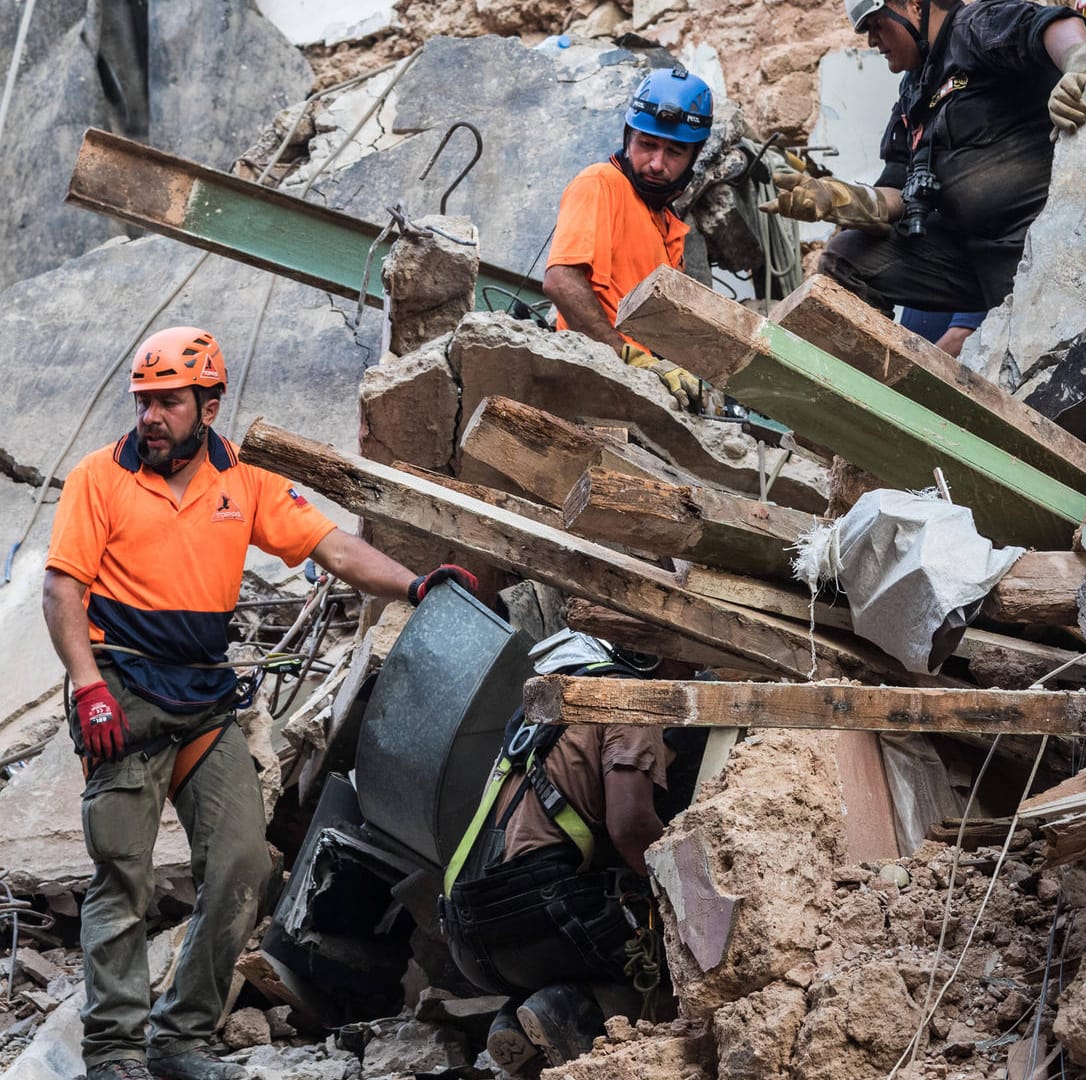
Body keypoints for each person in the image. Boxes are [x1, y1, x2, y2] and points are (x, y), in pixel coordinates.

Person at [42, 326, 476, 1080]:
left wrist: (415, 584)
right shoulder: (97, 478)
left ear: (208, 403)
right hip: (124, 696)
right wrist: (87, 687)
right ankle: (113, 1054)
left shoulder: (243, 484)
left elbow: (333, 548)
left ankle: (181, 1039)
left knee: (245, 864)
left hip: (204, 701)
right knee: (124, 874)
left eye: (169, 402)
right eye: (144, 401)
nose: (151, 417)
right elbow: (61, 591)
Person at [764, 0, 1086, 316]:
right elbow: (895, 188)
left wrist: (1078, 68)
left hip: (1043, 239)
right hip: (971, 256)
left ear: (913, 5)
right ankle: (876, 374)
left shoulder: (974, 28)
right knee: (847, 258)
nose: (872, 41)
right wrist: (839, 199)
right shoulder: (914, 92)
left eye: (876, 25)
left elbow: (1050, 25)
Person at [440, 630, 673, 1071]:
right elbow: (630, 828)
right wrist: (682, 900)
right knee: (669, 964)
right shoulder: (628, 698)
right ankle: (566, 1013)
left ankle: (517, 1021)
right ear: (646, 658)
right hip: (541, 919)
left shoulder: (543, 710)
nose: (688, 674)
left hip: (464, 930)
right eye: (680, 660)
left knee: (578, 941)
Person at [542, 67, 715, 412]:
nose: (656, 163)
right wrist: (625, 355)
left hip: (642, 393)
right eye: (647, 145)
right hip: (591, 381)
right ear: (628, 138)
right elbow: (561, 281)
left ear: (693, 157)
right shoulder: (601, 183)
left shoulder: (669, 227)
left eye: (674, 152)